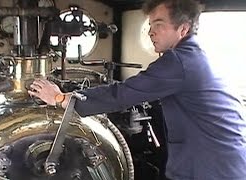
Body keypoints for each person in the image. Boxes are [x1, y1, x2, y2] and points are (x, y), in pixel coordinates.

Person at [28, 0, 246, 179]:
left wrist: (60, 98)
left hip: (212, 167)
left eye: (158, 24)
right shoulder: (195, 56)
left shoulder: (179, 61)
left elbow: (123, 94)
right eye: (150, 25)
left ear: (183, 28)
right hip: (223, 159)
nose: (151, 32)